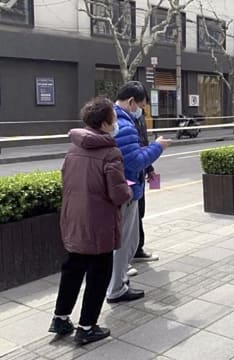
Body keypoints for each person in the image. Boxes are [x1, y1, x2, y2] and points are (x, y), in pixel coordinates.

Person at [49, 97, 133, 345]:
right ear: (106, 123)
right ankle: (87, 327)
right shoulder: (110, 152)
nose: (116, 123)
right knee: (98, 274)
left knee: (73, 269)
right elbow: (118, 193)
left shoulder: (74, 147)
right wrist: (128, 191)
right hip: (99, 224)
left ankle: (60, 318)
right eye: (114, 119)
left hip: (74, 218)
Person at [106, 81, 171, 303]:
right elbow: (133, 162)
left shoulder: (114, 120)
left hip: (119, 188)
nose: (141, 111)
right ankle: (117, 288)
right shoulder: (124, 125)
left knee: (126, 241)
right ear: (131, 101)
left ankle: (119, 283)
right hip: (127, 190)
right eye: (141, 106)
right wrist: (158, 147)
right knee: (125, 242)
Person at [132, 106, 160, 264]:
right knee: (129, 217)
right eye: (140, 103)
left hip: (141, 172)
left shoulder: (140, 117)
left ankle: (137, 249)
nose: (141, 108)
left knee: (139, 213)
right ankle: (125, 258)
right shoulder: (123, 121)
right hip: (130, 176)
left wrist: (149, 168)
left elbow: (143, 144)